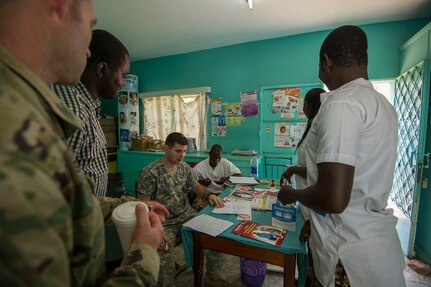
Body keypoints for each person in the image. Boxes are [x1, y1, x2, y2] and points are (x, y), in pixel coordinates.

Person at [0, 1, 165, 286]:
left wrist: (125, 204)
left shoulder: (55, 107)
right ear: (58, 7)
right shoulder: (31, 124)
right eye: (89, 26)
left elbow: (68, 195)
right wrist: (145, 253)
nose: (87, 49)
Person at [277, 25, 406, 286]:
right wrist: (313, 223)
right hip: (374, 244)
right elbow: (356, 184)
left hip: (346, 258)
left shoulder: (341, 103)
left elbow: (333, 199)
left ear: (326, 62)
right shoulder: (382, 105)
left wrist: (292, 194)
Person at [137, 132, 230, 287]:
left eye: (185, 151)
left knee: (214, 236)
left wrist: (209, 195)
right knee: (162, 253)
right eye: (178, 151)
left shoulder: (185, 168)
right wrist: (155, 229)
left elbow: (196, 186)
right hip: (163, 223)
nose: (182, 155)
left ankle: (211, 276)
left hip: (185, 214)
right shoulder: (150, 172)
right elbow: (143, 204)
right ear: (166, 148)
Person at [52, 29, 130, 196]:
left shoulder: (89, 106)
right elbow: (52, 191)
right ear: (101, 69)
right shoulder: (71, 111)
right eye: (123, 76)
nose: (123, 83)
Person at [280, 88, 331, 286]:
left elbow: (319, 175)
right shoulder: (313, 126)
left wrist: (293, 173)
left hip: (314, 204)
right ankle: (304, 279)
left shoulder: (321, 129)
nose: (302, 108)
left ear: (309, 105)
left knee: (317, 262)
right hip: (308, 203)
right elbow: (311, 168)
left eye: (304, 104)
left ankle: (307, 280)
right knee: (309, 254)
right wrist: (293, 170)